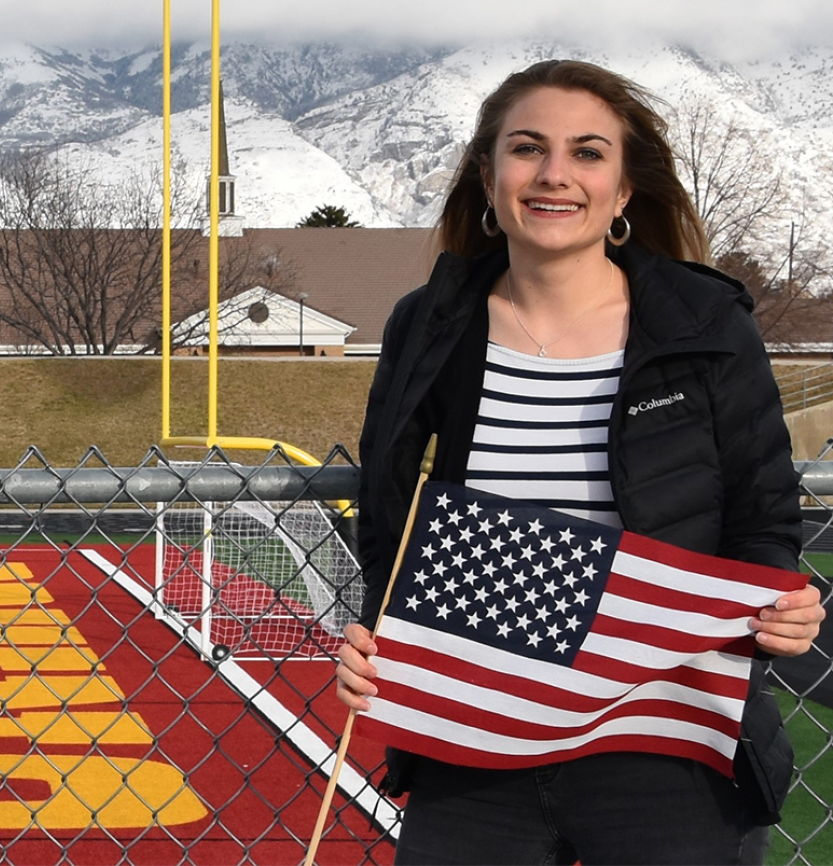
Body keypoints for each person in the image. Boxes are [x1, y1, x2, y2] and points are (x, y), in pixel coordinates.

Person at [335, 59, 825, 865]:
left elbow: (764, 513)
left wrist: (780, 603)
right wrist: (382, 633)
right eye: (527, 149)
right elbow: (388, 508)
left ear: (625, 190)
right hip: (478, 729)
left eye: (589, 152)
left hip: (661, 731)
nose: (555, 174)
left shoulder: (704, 322)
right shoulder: (429, 323)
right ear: (489, 177)